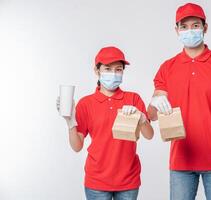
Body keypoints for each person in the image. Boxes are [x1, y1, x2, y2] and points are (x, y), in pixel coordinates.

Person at [147, 3, 211, 200]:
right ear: (176, 30)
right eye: (184, 26)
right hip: (181, 162)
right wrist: (154, 102)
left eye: (195, 25)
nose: (190, 30)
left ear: (205, 28)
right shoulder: (167, 68)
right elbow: (151, 116)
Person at [57, 46, 154, 200]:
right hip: (97, 182)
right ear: (97, 71)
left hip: (128, 180)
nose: (113, 74)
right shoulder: (86, 103)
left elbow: (149, 135)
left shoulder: (133, 99)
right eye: (107, 69)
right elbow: (77, 146)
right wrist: (70, 122)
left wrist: (142, 118)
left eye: (118, 69)